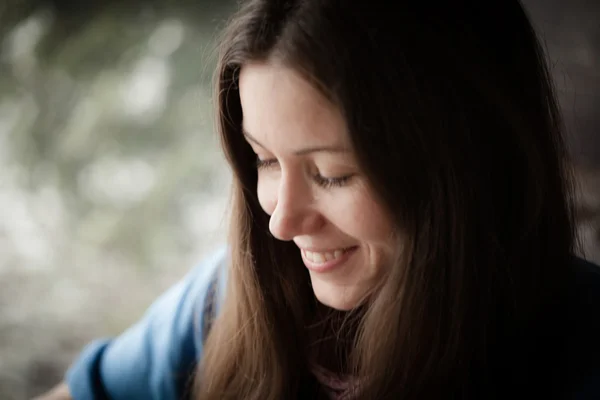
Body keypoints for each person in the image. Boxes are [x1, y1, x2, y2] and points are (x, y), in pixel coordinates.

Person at [37, 0, 600, 399]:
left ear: (467, 166)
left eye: (332, 174)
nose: (282, 223)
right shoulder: (227, 299)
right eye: (264, 160)